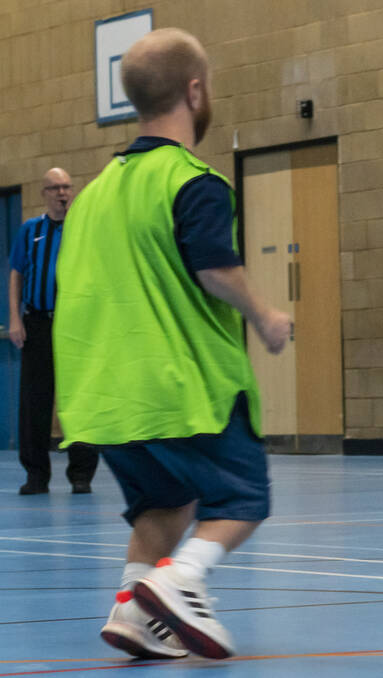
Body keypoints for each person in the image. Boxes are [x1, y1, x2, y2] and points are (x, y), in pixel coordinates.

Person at [53, 28, 292, 660]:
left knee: (163, 504)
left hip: (104, 398)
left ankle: (133, 613)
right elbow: (214, 270)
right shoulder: (194, 181)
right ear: (195, 91)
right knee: (243, 498)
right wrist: (266, 317)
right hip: (181, 387)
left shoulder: (95, 195)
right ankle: (180, 582)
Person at [8, 168, 98, 495]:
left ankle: (82, 475)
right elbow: (16, 274)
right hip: (38, 323)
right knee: (35, 401)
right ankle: (36, 476)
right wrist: (15, 319)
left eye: (66, 187)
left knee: (80, 399)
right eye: (55, 188)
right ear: (44, 193)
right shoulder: (30, 231)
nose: (62, 193)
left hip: (76, 324)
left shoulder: (85, 230)